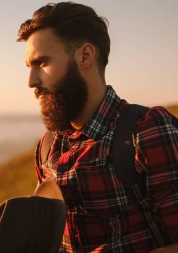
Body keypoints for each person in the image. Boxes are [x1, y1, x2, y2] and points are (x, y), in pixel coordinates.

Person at [17, 2, 178, 253]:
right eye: (29, 67)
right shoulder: (47, 147)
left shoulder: (146, 132)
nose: (31, 81)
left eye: (43, 63)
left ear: (85, 56)